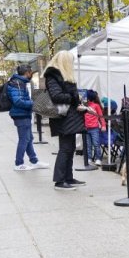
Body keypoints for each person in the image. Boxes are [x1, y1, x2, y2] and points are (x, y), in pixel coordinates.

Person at [45, 51, 89, 191]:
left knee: (69, 148)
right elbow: (56, 96)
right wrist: (73, 96)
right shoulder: (53, 75)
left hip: (69, 117)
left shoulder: (60, 75)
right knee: (65, 149)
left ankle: (68, 177)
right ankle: (59, 181)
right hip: (63, 117)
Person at [8, 64, 49, 171]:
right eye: (31, 72)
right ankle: (19, 163)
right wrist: (33, 103)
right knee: (24, 139)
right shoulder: (17, 83)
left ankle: (34, 161)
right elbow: (17, 101)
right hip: (20, 115)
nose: (31, 74)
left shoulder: (20, 82)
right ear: (27, 73)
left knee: (28, 138)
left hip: (23, 114)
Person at [84, 90, 105, 166]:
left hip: (94, 128)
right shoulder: (85, 105)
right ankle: (89, 158)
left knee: (96, 144)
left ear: (88, 98)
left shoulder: (96, 106)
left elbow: (101, 117)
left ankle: (98, 158)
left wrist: (103, 125)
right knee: (88, 144)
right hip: (86, 128)